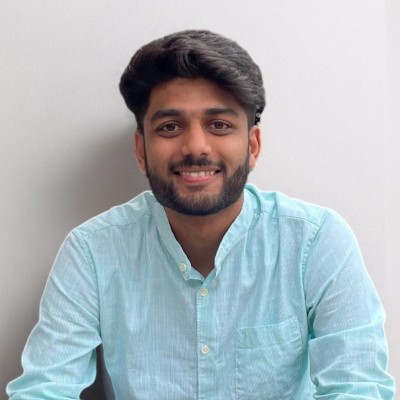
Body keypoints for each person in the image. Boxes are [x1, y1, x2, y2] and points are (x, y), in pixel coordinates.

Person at [7, 29, 395, 399]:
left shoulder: (317, 241)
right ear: (141, 150)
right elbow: (43, 391)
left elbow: (359, 389)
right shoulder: (92, 252)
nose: (196, 146)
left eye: (219, 125)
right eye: (170, 126)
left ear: (252, 146)